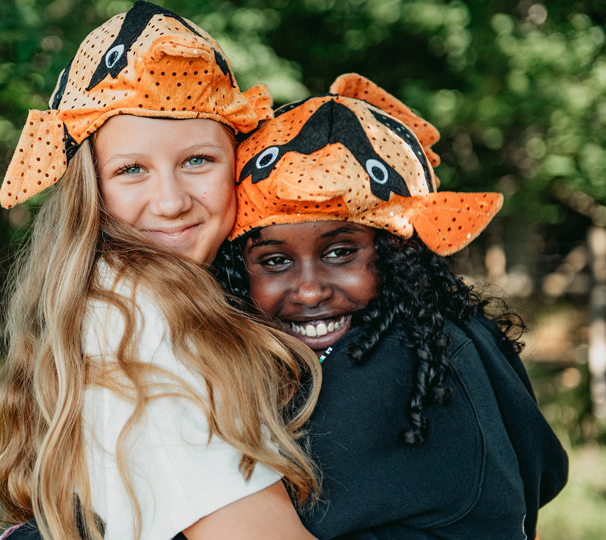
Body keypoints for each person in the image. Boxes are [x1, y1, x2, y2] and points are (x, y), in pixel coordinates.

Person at [0, 3, 322, 539]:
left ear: (237, 160)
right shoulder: (139, 326)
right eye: (132, 170)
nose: (172, 202)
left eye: (197, 160)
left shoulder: (140, 295)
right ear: (92, 189)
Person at [215, 73, 569, 539]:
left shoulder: (395, 365)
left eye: (341, 252)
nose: (308, 290)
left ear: (399, 252)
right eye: (275, 260)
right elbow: (547, 468)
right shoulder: (453, 333)